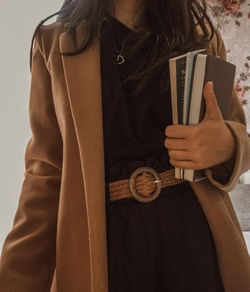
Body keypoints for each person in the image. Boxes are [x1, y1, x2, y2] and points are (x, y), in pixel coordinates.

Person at [0, 0, 250, 291]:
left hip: (196, 240)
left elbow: (237, 134)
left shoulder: (198, 35)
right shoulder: (54, 43)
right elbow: (45, 174)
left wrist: (228, 145)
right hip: (104, 251)